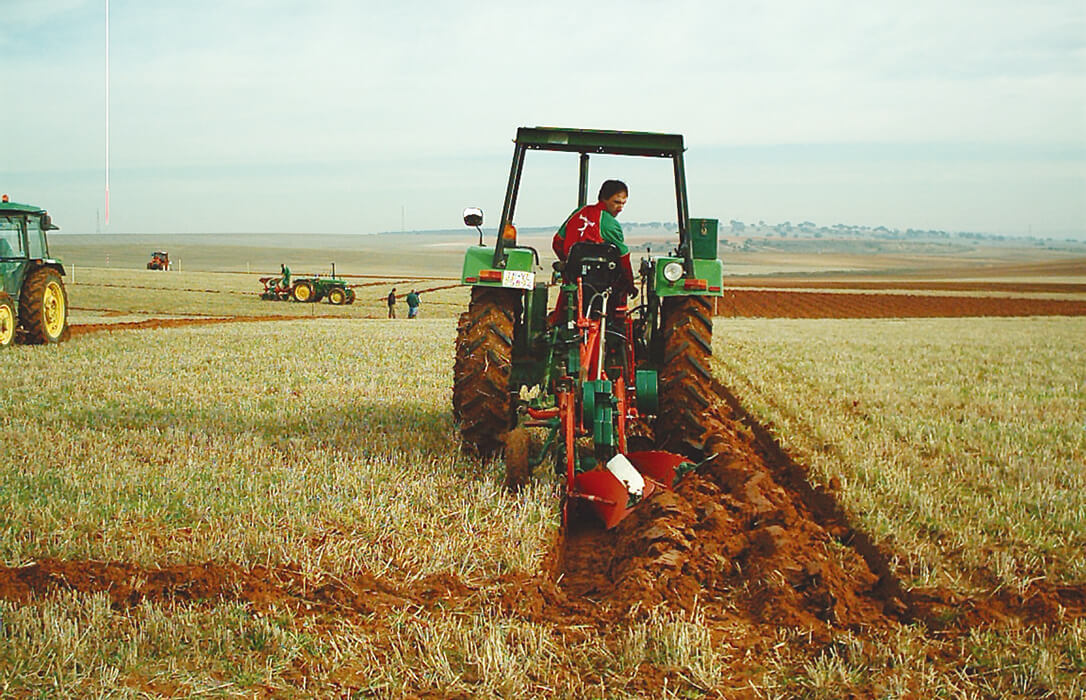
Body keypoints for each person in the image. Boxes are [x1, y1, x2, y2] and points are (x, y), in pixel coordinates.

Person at [552, 180, 636, 296]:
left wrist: (569, 264)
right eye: (616, 202)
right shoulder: (610, 224)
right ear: (604, 199)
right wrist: (630, 285)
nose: (620, 208)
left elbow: (557, 242)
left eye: (623, 203)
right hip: (600, 284)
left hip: (573, 281)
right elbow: (624, 257)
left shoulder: (578, 212)